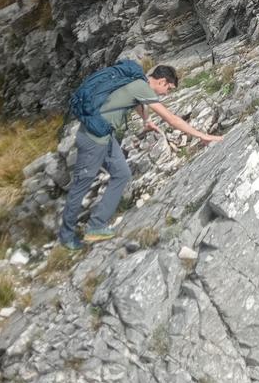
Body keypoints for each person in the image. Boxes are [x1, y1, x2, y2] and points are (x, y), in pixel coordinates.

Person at [58, 64, 222, 249]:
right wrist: (204, 136)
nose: (166, 94)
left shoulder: (137, 82)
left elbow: (135, 103)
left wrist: (146, 120)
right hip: (92, 139)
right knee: (82, 184)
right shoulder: (141, 87)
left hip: (104, 136)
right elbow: (172, 119)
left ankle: (96, 227)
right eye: (168, 88)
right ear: (161, 81)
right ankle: (66, 236)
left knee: (122, 173)